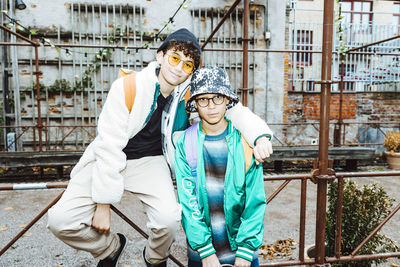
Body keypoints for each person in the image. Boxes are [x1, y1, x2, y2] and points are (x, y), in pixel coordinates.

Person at [47, 28, 273, 267]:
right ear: (160, 56)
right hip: (106, 159)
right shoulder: (128, 86)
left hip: (150, 161)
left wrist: (261, 137)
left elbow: (236, 112)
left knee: (168, 219)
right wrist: (103, 204)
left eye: (187, 65)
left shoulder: (189, 94)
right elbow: (109, 142)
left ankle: (155, 259)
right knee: (60, 220)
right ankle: (110, 248)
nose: (179, 68)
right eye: (175, 58)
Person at [174, 66, 267, 267]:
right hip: (202, 254)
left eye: (217, 97)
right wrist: (205, 250)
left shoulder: (245, 140)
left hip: (242, 252)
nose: (211, 106)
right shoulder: (185, 144)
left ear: (227, 100)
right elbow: (187, 201)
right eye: (203, 99)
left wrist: (246, 249)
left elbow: (255, 199)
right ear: (195, 105)